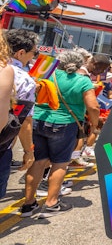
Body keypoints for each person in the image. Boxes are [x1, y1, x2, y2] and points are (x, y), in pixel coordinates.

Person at [21, 50, 100, 218]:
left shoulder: (47, 74)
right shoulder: (83, 81)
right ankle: (51, 203)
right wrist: (94, 125)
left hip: (38, 120)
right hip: (65, 125)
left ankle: (28, 205)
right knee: (60, 164)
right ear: (79, 64)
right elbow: (93, 107)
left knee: (38, 162)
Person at [0, 29, 34, 198]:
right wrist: (29, 151)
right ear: (21, 52)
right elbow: (24, 121)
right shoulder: (23, 79)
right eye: (32, 53)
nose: (33, 58)